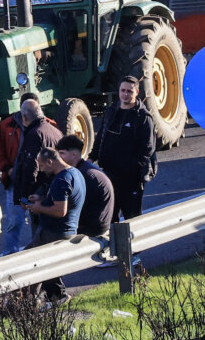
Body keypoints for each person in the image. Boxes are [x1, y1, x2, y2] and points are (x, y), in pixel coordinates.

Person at [24, 148, 86, 302]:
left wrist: (39, 208)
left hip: (54, 231)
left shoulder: (61, 180)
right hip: (66, 229)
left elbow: (60, 211)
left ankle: (52, 297)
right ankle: (37, 298)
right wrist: (42, 199)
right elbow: (64, 200)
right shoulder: (74, 173)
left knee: (37, 264)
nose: (41, 170)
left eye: (41, 165)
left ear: (50, 162)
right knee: (34, 260)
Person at [95, 76, 157, 223]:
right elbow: (101, 138)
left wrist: (131, 168)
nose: (125, 94)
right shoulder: (111, 111)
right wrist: (91, 158)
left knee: (132, 219)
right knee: (109, 218)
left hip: (131, 179)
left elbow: (147, 148)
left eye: (129, 91)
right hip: (109, 175)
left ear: (137, 92)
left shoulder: (143, 117)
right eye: (122, 90)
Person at [8, 98, 62, 255]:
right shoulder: (54, 131)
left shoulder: (34, 134)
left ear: (25, 117)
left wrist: (24, 197)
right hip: (55, 189)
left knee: (40, 240)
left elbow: (30, 167)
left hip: (40, 193)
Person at [0, 92, 38, 253]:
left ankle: (39, 251)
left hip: (38, 185)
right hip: (15, 184)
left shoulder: (48, 125)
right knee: (15, 221)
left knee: (38, 220)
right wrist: (7, 169)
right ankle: (10, 253)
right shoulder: (6, 126)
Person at [56, 134, 115, 241]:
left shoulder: (83, 175)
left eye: (62, 153)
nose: (59, 158)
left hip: (92, 228)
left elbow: (73, 206)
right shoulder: (84, 169)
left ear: (74, 155)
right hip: (97, 223)